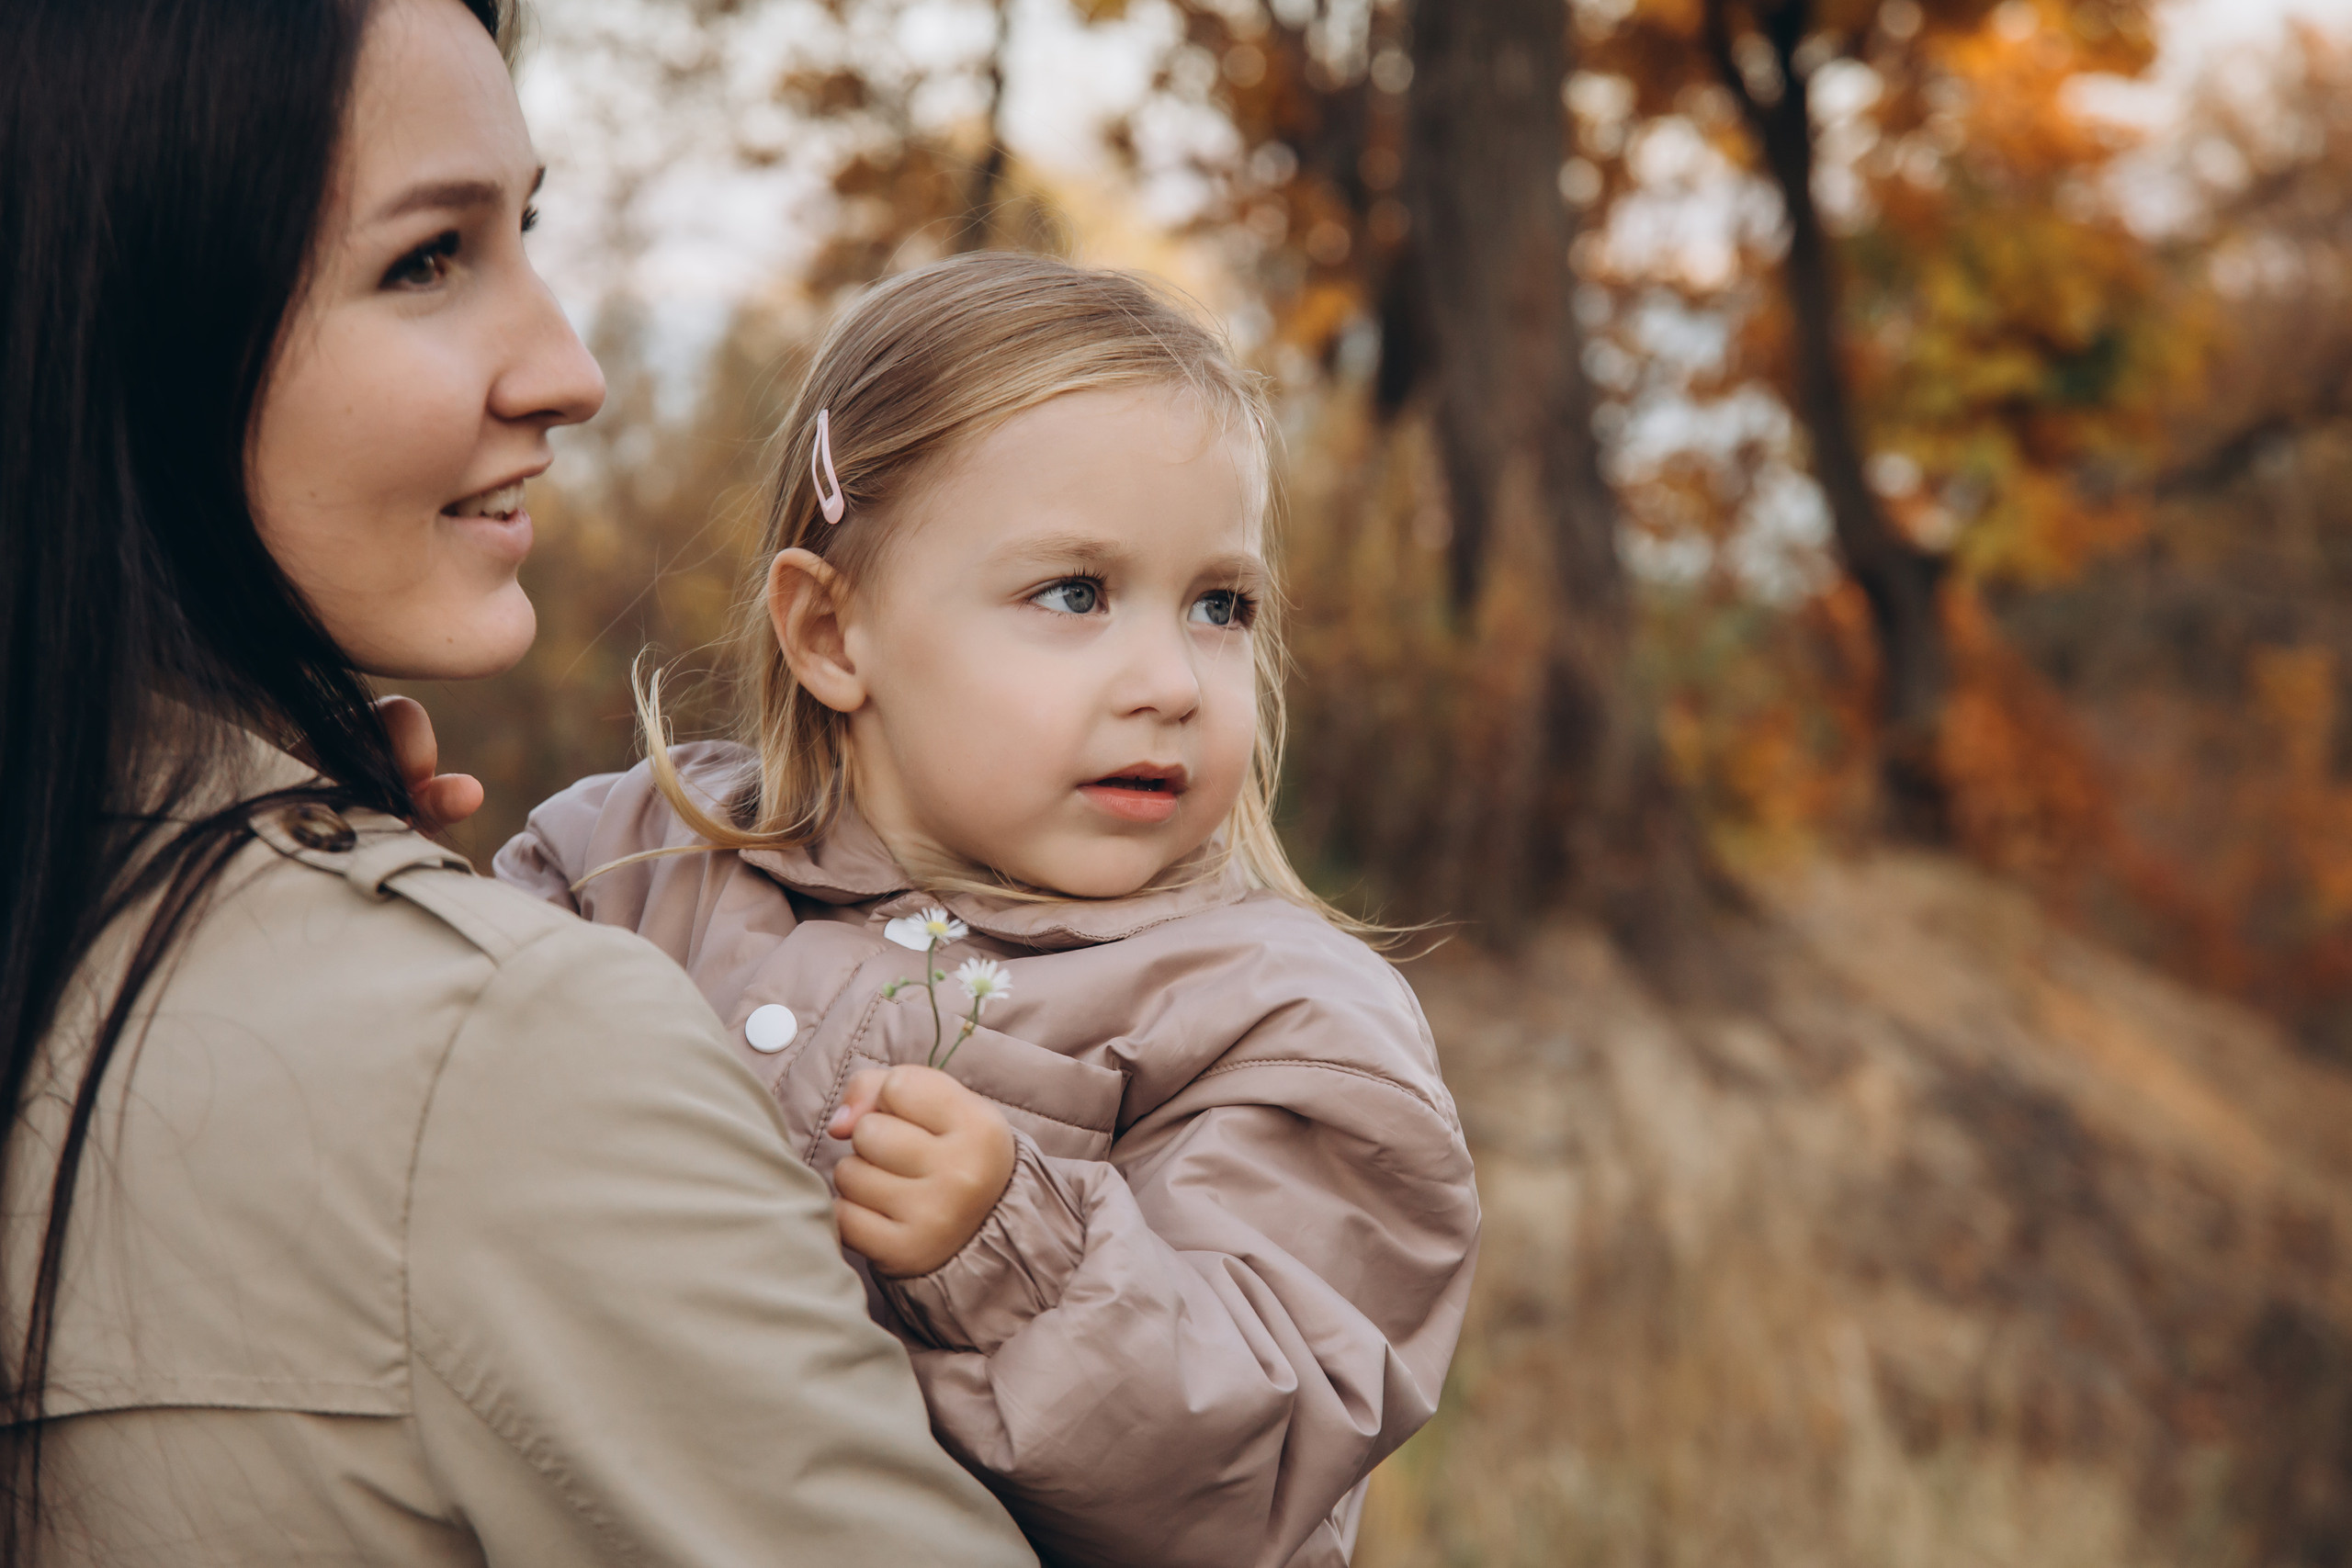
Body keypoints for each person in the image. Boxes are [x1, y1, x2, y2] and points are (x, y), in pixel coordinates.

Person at [0, 0, 1040, 1562]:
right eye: (427, 259)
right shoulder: (512, 1060)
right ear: (130, 318)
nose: (570, 371)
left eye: (525, 230)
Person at [494, 252, 1483, 1568]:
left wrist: (1013, 1247)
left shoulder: (1280, 1019)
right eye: (1073, 593)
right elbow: (412, 1097)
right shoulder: (632, 859)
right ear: (834, 636)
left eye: (1220, 606)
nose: (1172, 682)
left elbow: (1255, 1469)